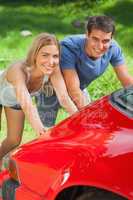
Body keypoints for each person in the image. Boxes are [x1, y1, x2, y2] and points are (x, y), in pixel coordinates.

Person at [36, 15, 133, 126]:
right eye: (95, 39)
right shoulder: (69, 47)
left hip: (79, 88)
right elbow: (73, 89)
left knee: (85, 128)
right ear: (87, 34)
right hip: (50, 89)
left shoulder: (113, 48)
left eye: (105, 41)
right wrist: (90, 116)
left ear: (112, 38)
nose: (100, 46)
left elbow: (126, 80)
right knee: (45, 131)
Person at [0, 32, 77, 166]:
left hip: (12, 101)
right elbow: (28, 105)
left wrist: (80, 119)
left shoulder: (53, 68)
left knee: (14, 140)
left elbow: (64, 98)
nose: (51, 61)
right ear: (34, 54)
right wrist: (42, 132)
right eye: (45, 55)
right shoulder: (18, 70)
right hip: (7, 93)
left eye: (55, 56)